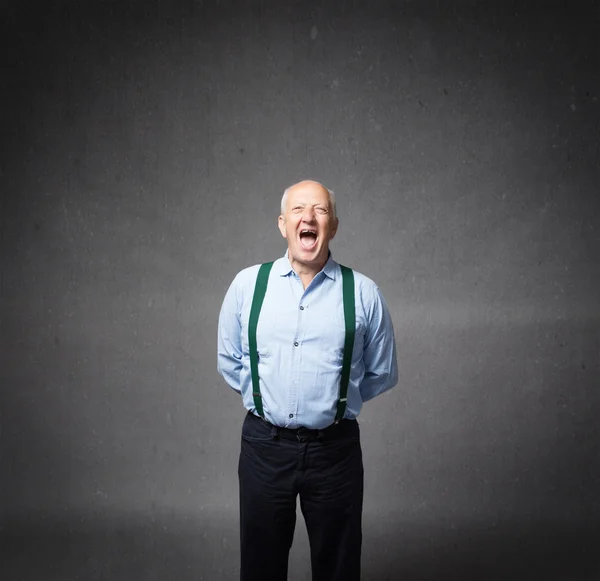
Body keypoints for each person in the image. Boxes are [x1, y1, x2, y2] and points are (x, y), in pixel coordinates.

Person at [217, 180, 398, 581]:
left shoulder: (364, 293)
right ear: (283, 224)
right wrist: (268, 400)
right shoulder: (248, 286)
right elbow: (229, 362)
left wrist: (334, 400)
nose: (308, 218)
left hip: (335, 453)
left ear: (333, 225)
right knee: (260, 566)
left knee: (339, 567)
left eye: (319, 210)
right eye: (298, 210)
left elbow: (381, 371)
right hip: (265, 448)